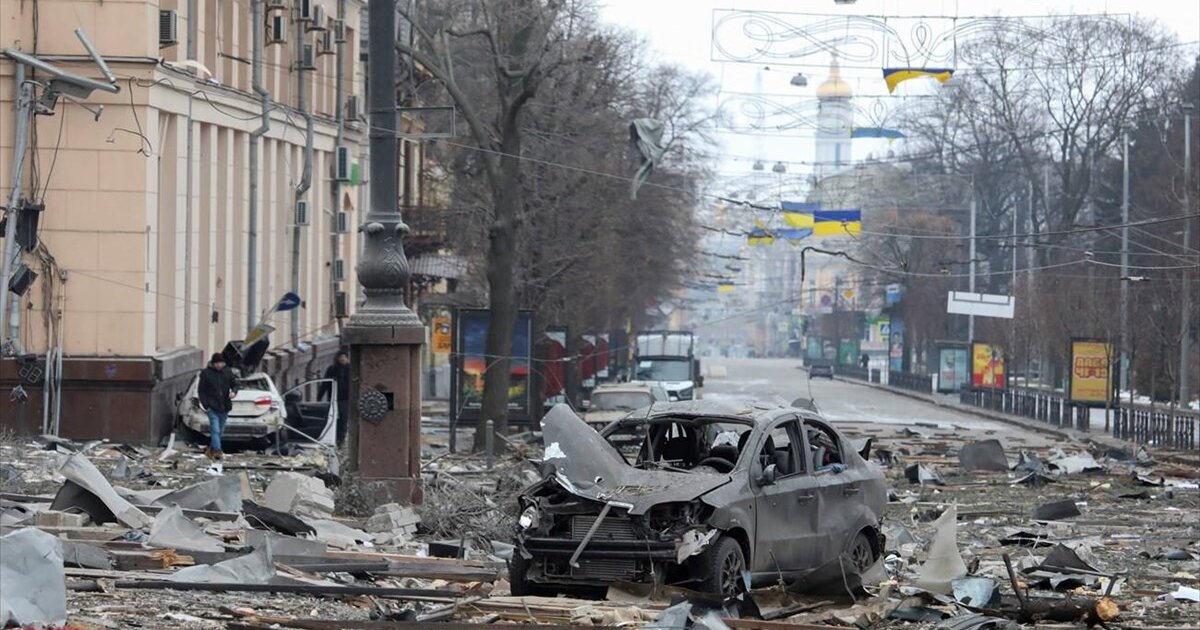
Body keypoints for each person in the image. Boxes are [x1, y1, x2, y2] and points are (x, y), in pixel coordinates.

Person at [198, 352, 237, 459]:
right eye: (217, 363)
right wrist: (206, 405)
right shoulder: (206, 374)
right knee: (215, 429)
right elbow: (201, 391)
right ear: (213, 363)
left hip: (224, 406)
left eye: (221, 363)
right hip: (212, 406)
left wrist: (234, 392)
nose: (219, 365)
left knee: (220, 430)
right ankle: (217, 451)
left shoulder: (227, 372)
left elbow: (234, 384)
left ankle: (211, 450)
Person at [320, 350, 351, 445]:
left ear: (347, 359)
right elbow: (325, 384)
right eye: (341, 357)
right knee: (333, 419)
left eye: (344, 357)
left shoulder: (351, 369)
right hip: (334, 399)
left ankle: (341, 440)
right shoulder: (332, 369)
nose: (342, 359)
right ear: (337, 358)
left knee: (343, 420)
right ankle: (334, 439)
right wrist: (320, 395)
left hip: (345, 399)